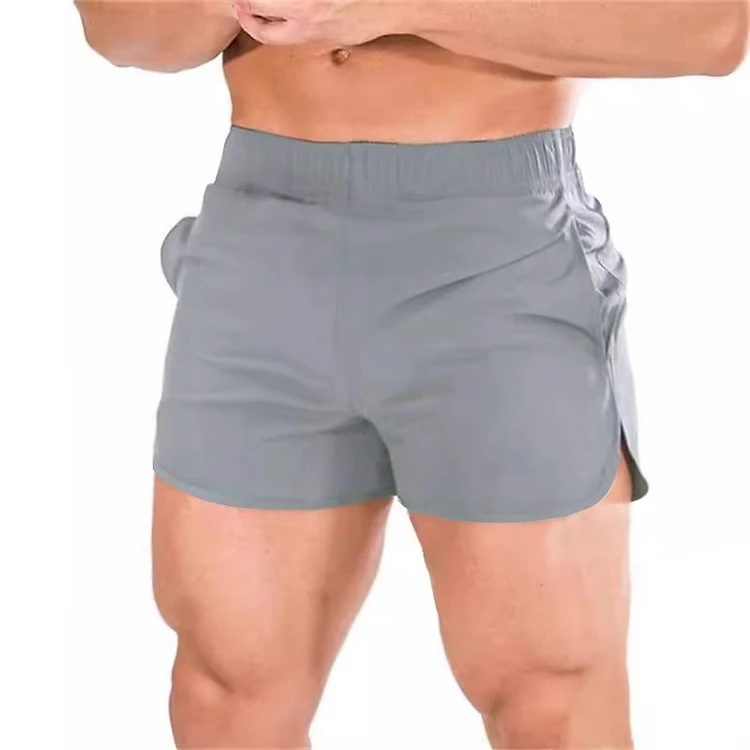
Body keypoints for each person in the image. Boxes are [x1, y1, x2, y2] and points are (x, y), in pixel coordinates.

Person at [74, 1, 748, 747]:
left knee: (549, 701)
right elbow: (120, 31)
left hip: (493, 247)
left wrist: (392, 7)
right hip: (261, 237)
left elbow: (715, 29)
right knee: (224, 695)